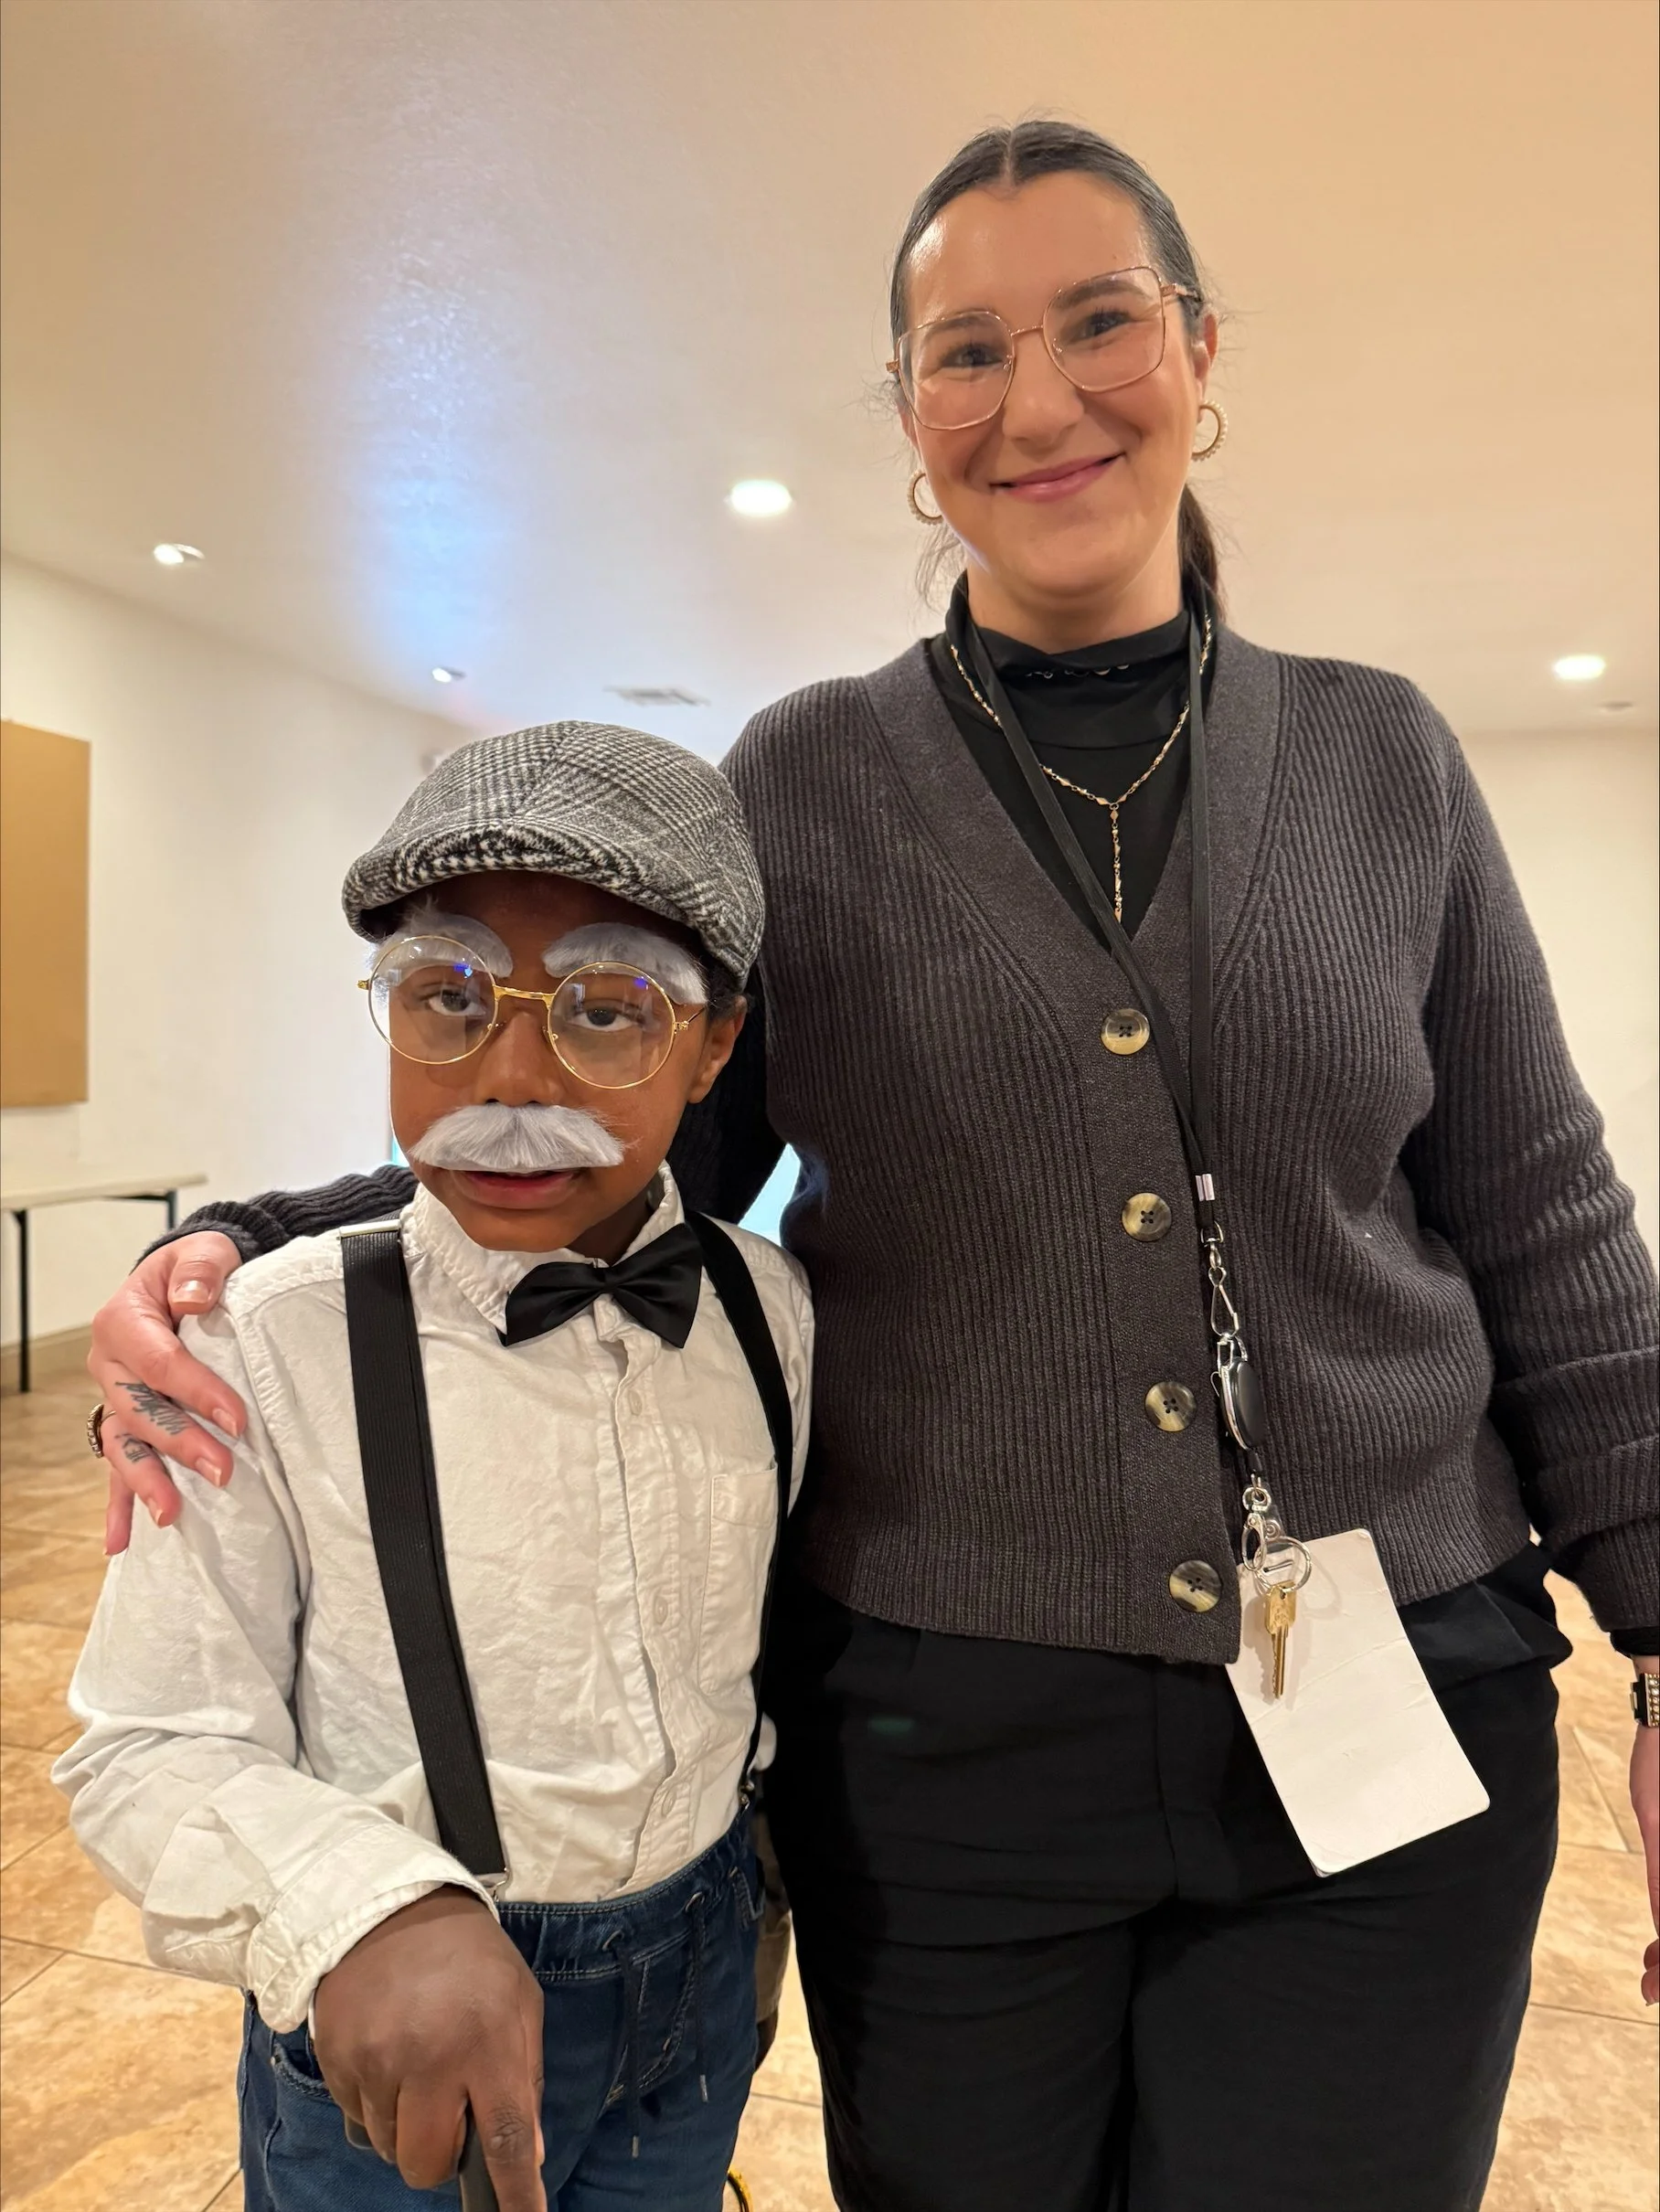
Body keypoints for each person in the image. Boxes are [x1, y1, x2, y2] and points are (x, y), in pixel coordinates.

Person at [88, 122, 1655, 2212]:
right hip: (946, 1748)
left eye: (1099, 323)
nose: (1038, 400)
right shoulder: (804, 779)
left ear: (1194, 351)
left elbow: (1543, 1214)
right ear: (912, 422)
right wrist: (240, 1241)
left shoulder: (1381, 757)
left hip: (1395, 1716)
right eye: (962, 352)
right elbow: (620, 1154)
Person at [59, 722, 812, 2212]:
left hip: (702, 1991)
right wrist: (361, 1908)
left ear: (717, 1046)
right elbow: (142, 1743)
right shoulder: (265, 1343)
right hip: (392, 2028)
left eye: (607, 1012)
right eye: (446, 999)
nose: (511, 1078)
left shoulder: (769, 1309)